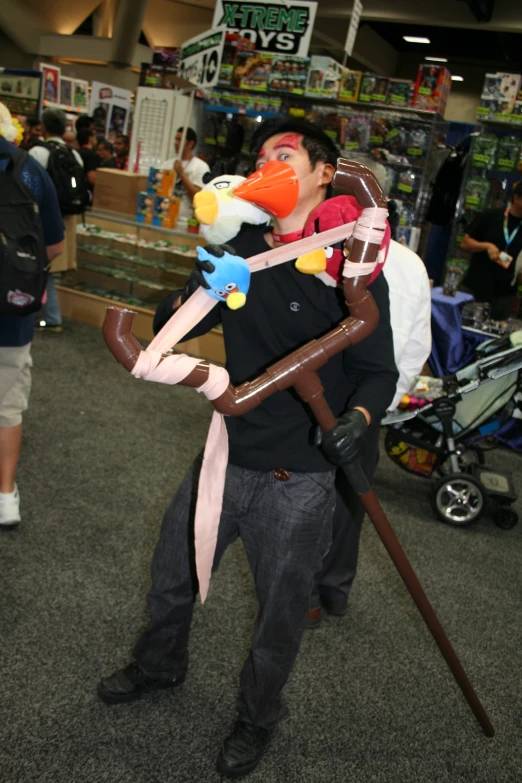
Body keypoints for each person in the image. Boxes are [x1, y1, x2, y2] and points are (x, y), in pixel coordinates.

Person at [98, 118, 398, 778]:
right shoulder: (242, 242)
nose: (270, 164)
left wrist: (360, 417)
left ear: (325, 172)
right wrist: (196, 286)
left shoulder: (352, 260)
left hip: (299, 476)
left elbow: (380, 370)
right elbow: (172, 323)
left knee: (281, 613)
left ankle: (257, 717)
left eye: (285, 155)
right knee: (172, 572)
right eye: (262, 156)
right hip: (225, 450)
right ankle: (158, 665)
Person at [308, 240, 432, 625]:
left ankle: (312, 592)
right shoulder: (411, 262)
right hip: (369, 400)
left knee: (318, 493)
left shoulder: (325, 249)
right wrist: (384, 403)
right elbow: (416, 346)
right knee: (350, 496)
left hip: (333, 395)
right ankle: (332, 589)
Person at [0, 108, 64, 526]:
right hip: (12, 311)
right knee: (6, 406)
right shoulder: (28, 170)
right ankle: (5, 497)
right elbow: (54, 246)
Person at [29, 108, 85, 333]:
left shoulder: (37, 152)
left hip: (41, 216)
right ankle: (48, 314)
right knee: (49, 268)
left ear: (43, 127)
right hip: (69, 218)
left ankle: (50, 316)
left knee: (40, 265)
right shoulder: (74, 154)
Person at [460, 182, 522, 319]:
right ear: (517, 199)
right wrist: (486, 246)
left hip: (504, 296)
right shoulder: (491, 216)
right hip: (476, 287)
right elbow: (465, 243)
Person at [161, 127, 210, 225]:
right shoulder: (166, 165)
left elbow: (198, 198)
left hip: (185, 222)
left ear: (190, 144)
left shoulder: (201, 167)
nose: (175, 143)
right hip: (164, 217)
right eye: (176, 139)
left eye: (180, 140)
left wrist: (182, 174)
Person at [77, 127, 100, 192]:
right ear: (90, 138)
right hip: (86, 192)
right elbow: (92, 178)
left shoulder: (75, 152)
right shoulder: (93, 156)